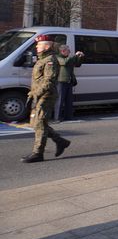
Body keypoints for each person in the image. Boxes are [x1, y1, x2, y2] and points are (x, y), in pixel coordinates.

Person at [21, 35, 70, 163]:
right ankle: (60, 141)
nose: (37, 47)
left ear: (47, 46)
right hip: (39, 94)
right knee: (38, 123)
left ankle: (38, 153)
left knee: (40, 123)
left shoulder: (50, 60)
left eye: (39, 44)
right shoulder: (41, 59)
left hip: (46, 95)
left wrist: (36, 93)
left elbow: (48, 81)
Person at [54, 44, 84, 122]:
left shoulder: (69, 58)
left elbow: (77, 64)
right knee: (60, 101)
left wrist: (80, 57)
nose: (70, 51)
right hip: (61, 81)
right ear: (63, 51)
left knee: (69, 101)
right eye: (68, 50)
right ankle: (57, 118)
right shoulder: (58, 57)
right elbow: (65, 62)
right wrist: (74, 55)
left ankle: (68, 117)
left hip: (69, 81)